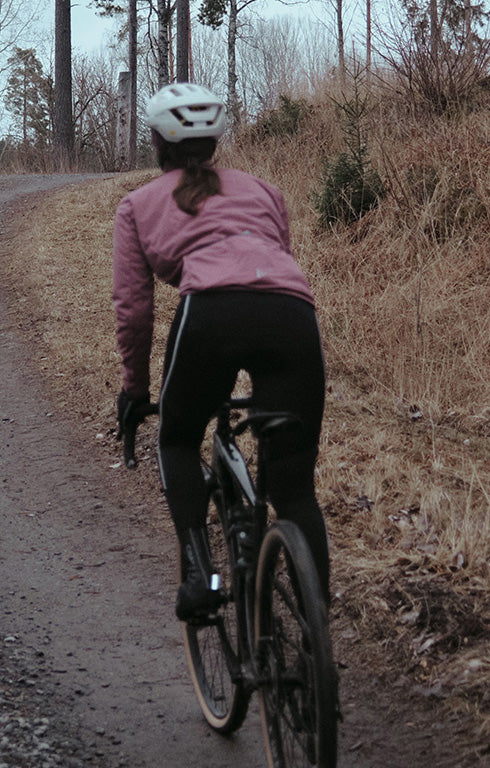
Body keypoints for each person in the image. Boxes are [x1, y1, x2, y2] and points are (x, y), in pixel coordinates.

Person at [112, 82, 330, 621]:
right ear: (215, 141)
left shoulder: (138, 205)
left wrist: (135, 391)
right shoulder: (263, 190)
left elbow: (134, 310)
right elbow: (274, 261)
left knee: (178, 438)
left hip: (209, 311)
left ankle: (200, 573)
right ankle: (316, 628)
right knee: (294, 487)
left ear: (157, 143)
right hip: (292, 315)